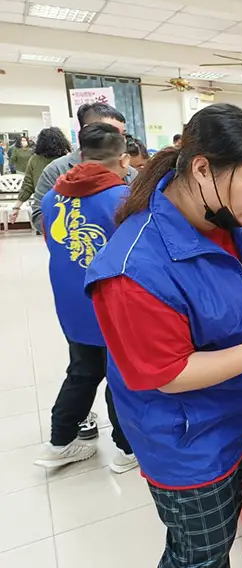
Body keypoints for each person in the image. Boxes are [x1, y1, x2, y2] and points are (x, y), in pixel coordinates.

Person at [84, 104, 242, 567]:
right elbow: (167, 375)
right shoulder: (133, 270)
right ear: (201, 169)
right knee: (201, 556)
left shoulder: (236, 214)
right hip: (190, 442)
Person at [34, 123, 136, 472]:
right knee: (120, 374)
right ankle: (126, 449)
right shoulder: (123, 198)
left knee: (82, 370)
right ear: (123, 160)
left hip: (71, 301)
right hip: (112, 304)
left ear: (80, 156)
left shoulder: (51, 198)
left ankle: (60, 441)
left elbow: (53, 244)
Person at [30, 103, 134, 234]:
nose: (120, 140)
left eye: (123, 134)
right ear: (89, 131)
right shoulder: (56, 170)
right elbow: (39, 214)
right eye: (110, 132)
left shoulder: (130, 172)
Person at [10, 127, 72, 227]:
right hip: (67, 205)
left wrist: (16, 207)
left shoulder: (34, 160)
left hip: (44, 205)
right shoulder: (67, 160)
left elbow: (27, 185)